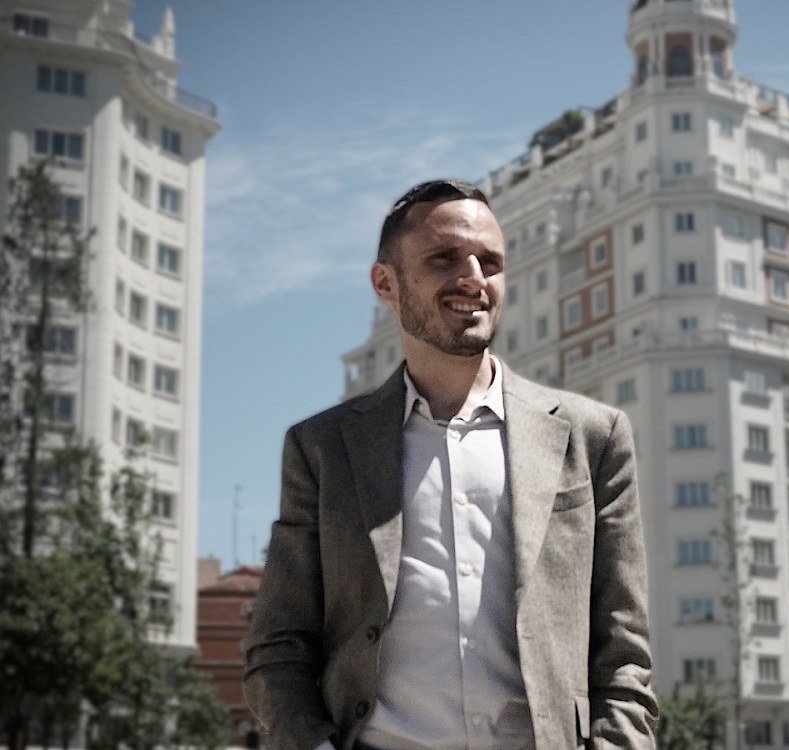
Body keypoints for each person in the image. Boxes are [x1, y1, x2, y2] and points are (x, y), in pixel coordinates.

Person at [242, 179, 657, 750]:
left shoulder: (593, 438)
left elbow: (624, 653)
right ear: (385, 283)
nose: (473, 278)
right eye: (443, 258)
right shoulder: (322, 450)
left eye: (490, 261)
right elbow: (279, 646)